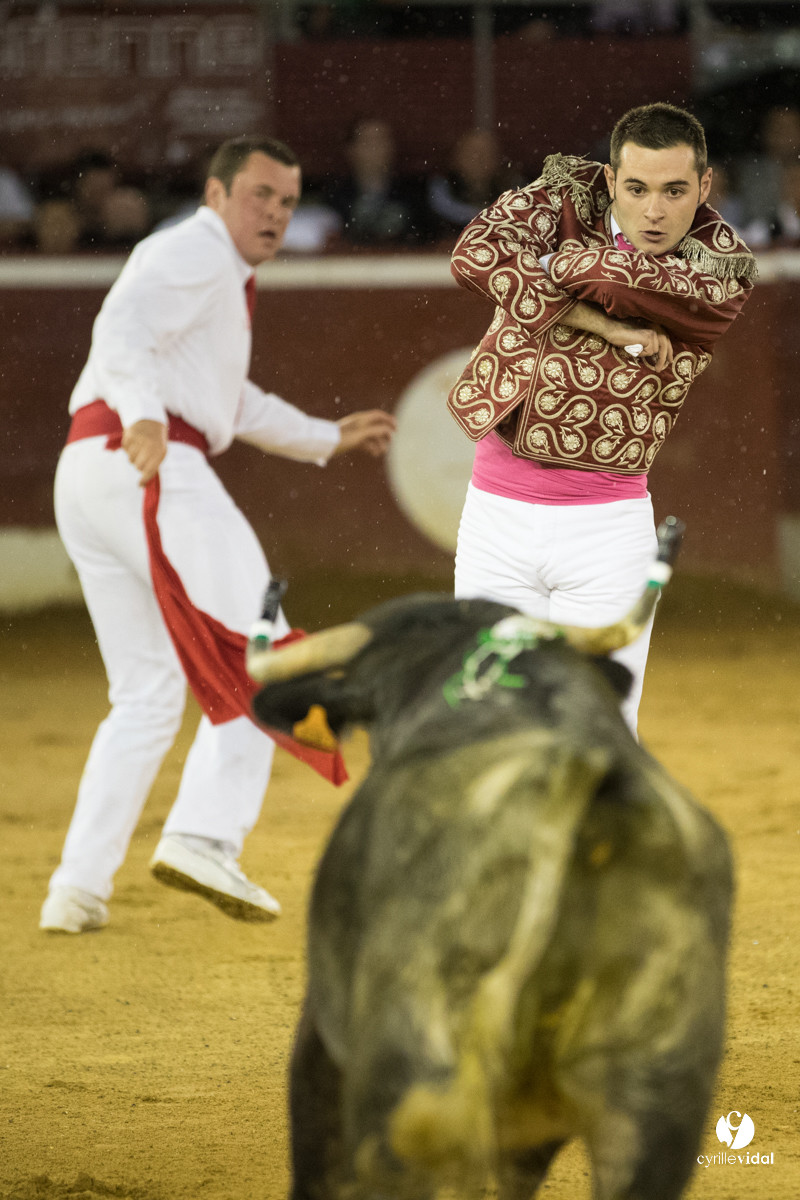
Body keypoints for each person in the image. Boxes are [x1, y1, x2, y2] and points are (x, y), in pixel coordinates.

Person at [40, 135, 396, 935]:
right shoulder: (192, 252)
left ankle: (76, 889)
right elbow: (120, 329)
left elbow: (226, 400)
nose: (274, 214)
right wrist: (141, 416)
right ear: (215, 195)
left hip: (90, 470)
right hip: (148, 463)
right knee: (260, 645)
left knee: (146, 692)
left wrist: (322, 437)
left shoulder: (214, 274)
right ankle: (204, 834)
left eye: (287, 202)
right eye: (260, 196)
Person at [448, 103, 755, 733]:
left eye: (675, 192)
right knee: (486, 730)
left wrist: (550, 263)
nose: (654, 211)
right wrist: (604, 323)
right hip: (493, 522)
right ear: (610, 180)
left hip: (606, 534)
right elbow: (473, 253)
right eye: (637, 189)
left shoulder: (721, 269)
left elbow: (622, 279)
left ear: (704, 186)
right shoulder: (566, 192)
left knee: (599, 736)